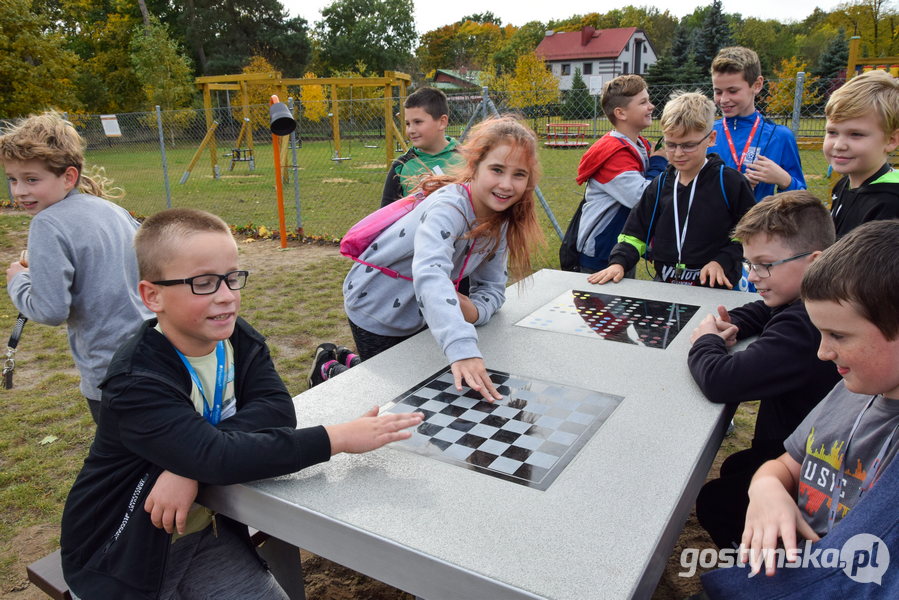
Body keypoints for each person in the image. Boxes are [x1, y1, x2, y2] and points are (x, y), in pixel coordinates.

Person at [59, 208, 423, 599]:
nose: (227, 297)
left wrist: (189, 467)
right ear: (152, 296)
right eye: (203, 283)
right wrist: (336, 439)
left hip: (205, 536)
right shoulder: (136, 379)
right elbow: (218, 456)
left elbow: (276, 410)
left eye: (232, 278)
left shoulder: (237, 339)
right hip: (120, 553)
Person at [331, 116, 544, 401]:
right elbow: (431, 274)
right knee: (394, 396)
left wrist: (476, 311)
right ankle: (331, 369)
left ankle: (349, 363)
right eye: (497, 169)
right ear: (475, 166)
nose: (506, 184)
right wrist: (462, 348)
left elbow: (492, 288)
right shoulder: (449, 208)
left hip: (425, 311)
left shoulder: (502, 218)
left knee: (418, 386)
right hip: (377, 309)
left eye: (519, 174)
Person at [738, 220, 899, 577]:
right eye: (821, 333)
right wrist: (766, 486)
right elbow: (784, 465)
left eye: (838, 335)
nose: (824, 353)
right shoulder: (850, 390)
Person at [687, 191, 840, 550]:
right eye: (748, 264)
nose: (753, 276)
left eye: (764, 265)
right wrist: (732, 323)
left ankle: (763, 572)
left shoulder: (805, 325)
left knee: (717, 502)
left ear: (814, 262)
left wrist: (705, 341)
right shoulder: (810, 299)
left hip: (808, 465)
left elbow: (722, 381)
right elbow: (764, 309)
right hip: (793, 445)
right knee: (736, 466)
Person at [0, 111, 151, 423]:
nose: (19, 191)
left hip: (110, 369)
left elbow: (50, 310)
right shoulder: (112, 210)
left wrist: (18, 280)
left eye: (31, 179)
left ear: (68, 177)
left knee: (125, 463)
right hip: (155, 350)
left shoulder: (47, 224)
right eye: (12, 180)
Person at [587, 91, 755, 288]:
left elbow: (750, 233)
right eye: (671, 145)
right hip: (666, 285)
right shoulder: (660, 185)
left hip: (716, 287)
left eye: (689, 145)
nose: (678, 154)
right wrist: (619, 262)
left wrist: (722, 261)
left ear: (710, 139)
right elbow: (635, 232)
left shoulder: (730, 183)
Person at [569, 75, 668, 273]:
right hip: (601, 253)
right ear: (621, 113)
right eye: (643, 102)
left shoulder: (638, 145)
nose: (651, 106)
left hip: (622, 247)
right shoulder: (613, 154)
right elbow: (641, 198)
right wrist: (659, 162)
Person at [708, 46, 806, 202]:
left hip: (759, 225)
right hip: (713, 224)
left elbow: (802, 198)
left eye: (733, 91)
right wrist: (735, 184)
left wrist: (784, 180)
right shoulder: (707, 133)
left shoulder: (780, 136)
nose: (724, 99)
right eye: (718, 92)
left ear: (757, 85)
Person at [824, 69, 899, 237]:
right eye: (832, 132)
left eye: (856, 134)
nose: (839, 145)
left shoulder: (890, 203)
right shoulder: (843, 185)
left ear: (891, 140)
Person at [380, 86, 463, 207]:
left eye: (418, 122)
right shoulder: (400, 167)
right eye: (408, 123)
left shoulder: (469, 158)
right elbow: (385, 217)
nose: (411, 130)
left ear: (442, 122)